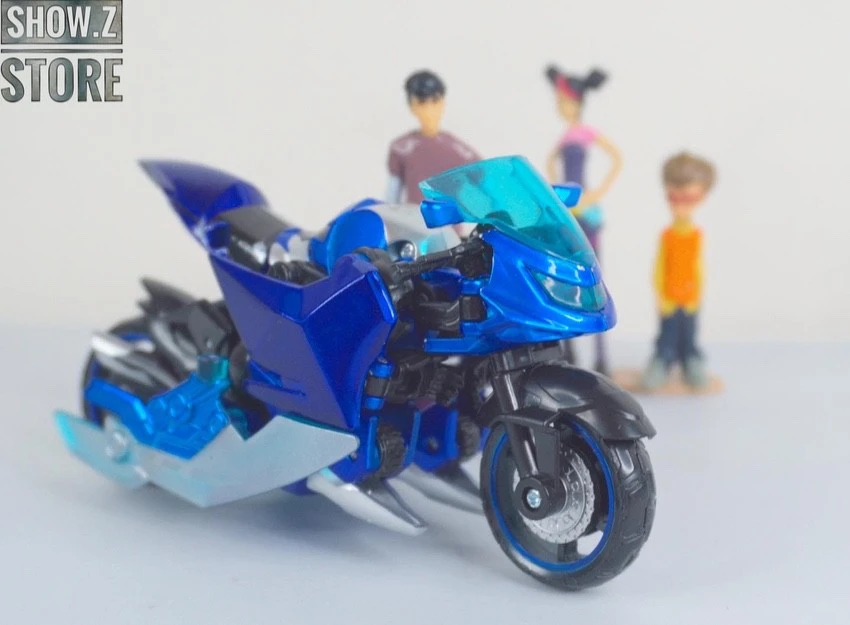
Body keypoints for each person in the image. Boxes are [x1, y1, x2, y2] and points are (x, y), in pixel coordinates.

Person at [544, 64, 622, 375]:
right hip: (569, 211)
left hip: (585, 211)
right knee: (566, 278)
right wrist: (556, 190)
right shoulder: (565, 136)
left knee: (595, 279)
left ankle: (601, 356)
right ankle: (570, 351)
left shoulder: (584, 133)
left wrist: (596, 193)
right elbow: (551, 162)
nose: (560, 106)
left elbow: (616, 157)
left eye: (563, 101)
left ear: (576, 102)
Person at [640, 152, 716, 391]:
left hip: (690, 296)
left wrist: (696, 294)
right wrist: (661, 294)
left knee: (689, 331)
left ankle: (690, 359)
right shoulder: (668, 236)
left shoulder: (696, 236)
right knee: (668, 332)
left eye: (689, 198)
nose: (681, 206)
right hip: (670, 297)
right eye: (675, 197)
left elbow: (697, 267)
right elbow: (660, 266)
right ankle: (662, 359)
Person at [386, 70, 481, 207]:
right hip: (414, 216)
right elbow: (392, 195)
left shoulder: (459, 151)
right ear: (412, 105)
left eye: (435, 101)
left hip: (447, 218)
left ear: (442, 103)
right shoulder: (401, 148)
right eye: (422, 102)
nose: (429, 109)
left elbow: (480, 182)